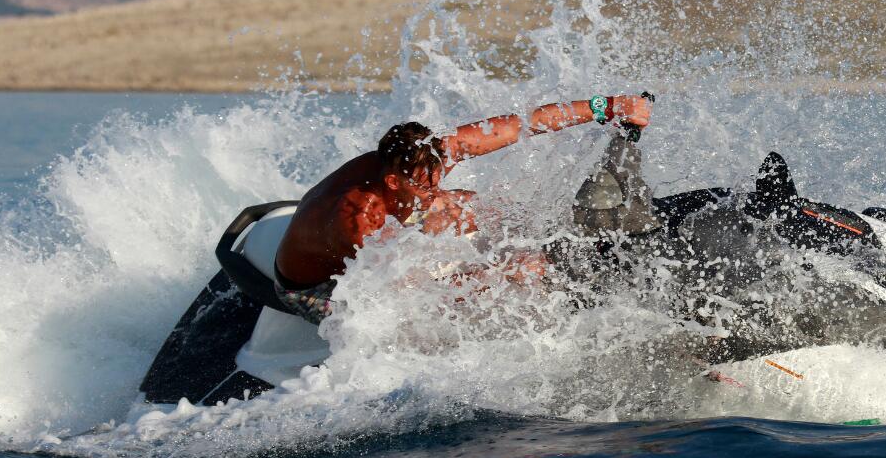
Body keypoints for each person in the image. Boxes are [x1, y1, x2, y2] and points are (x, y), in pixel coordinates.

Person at [273, 94, 654, 324]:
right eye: (425, 186)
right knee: (494, 276)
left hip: (372, 244)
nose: (434, 190)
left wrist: (608, 106)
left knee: (472, 205)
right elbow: (394, 293)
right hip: (320, 290)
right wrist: (493, 273)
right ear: (392, 182)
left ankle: (567, 252)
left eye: (437, 178)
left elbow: (525, 124)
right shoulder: (359, 217)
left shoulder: (424, 156)